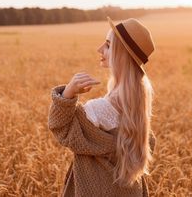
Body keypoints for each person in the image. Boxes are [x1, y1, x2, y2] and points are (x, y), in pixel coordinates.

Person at [48, 16, 156, 197]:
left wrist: (68, 93)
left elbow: (60, 128)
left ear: (121, 54)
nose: (99, 49)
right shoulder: (137, 106)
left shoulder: (100, 110)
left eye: (107, 45)